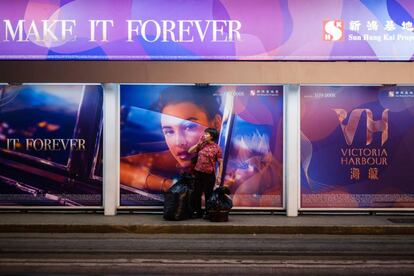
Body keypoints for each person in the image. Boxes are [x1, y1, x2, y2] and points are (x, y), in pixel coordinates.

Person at [120, 86, 222, 193]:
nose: (179, 142)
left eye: (189, 127)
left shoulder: (234, 166)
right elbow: (115, 168)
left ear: (215, 124)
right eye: (169, 131)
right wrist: (170, 185)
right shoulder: (190, 155)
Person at [188, 128, 223, 218]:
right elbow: (190, 151)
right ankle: (198, 212)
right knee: (197, 193)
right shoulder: (201, 145)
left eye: (206, 134)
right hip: (198, 172)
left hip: (209, 174)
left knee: (208, 194)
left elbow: (220, 163)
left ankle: (208, 212)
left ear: (212, 136)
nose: (204, 135)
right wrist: (198, 144)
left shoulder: (217, 148)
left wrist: (219, 176)